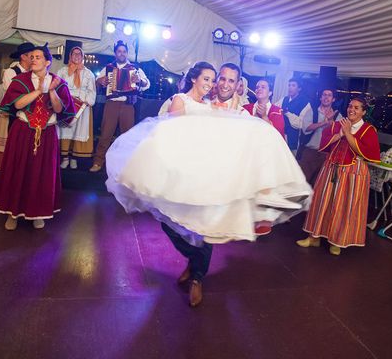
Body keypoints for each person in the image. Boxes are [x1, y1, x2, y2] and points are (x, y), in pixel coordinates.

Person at [106, 61, 312, 307]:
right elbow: (173, 136)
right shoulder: (195, 103)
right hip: (184, 173)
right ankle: (195, 263)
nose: (218, 84)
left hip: (216, 178)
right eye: (215, 79)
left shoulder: (234, 110)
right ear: (196, 79)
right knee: (170, 222)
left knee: (206, 227)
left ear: (237, 85)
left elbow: (253, 135)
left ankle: (197, 279)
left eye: (225, 80)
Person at [0, 44, 75, 230]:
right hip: (22, 131)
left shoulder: (58, 83)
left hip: (46, 134)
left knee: (42, 173)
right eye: (31, 57)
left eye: (38, 57)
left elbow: (60, 110)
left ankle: (38, 212)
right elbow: (17, 105)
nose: (33, 59)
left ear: (47, 62)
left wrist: (51, 91)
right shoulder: (21, 80)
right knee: (18, 170)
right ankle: (12, 213)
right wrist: (39, 90)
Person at [297, 96, 380, 255]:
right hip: (330, 168)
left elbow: (364, 152)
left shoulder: (368, 130)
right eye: (350, 106)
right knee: (322, 202)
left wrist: (348, 133)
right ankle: (314, 237)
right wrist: (341, 133)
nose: (352, 110)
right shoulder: (337, 125)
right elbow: (325, 143)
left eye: (356, 108)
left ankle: (337, 241)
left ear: (363, 112)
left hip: (352, 173)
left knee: (343, 207)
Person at [90, 41, 150, 172]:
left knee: (127, 136)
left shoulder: (135, 69)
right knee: (105, 134)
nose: (121, 53)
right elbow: (97, 82)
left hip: (128, 105)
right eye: (119, 51)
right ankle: (98, 162)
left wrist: (140, 80)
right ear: (115, 53)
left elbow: (147, 84)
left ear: (127, 53)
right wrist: (101, 81)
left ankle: (126, 164)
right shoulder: (108, 68)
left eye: (124, 51)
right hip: (111, 104)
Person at [0, 42, 35, 170]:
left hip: (30, 114)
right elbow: (11, 92)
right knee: (13, 143)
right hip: (14, 114)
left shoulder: (35, 73)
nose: (33, 59)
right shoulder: (11, 72)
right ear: (23, 56)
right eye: (31, 56)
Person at [57, 46, 96, 169]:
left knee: (78, 132)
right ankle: (65, 158)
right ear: (70, 56)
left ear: (82, 56)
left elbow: (92, 91)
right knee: (66, 131)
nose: (77, 56)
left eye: (79, 54)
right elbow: (58, 88)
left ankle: (74, 157)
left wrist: (85, 100)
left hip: (82, 107)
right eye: (74, 54)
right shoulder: (62, 71)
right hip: (67, 106)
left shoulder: (88, 73)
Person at [298, 89, 342, 184]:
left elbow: (340, 134)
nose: (326, 97)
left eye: (329, 95)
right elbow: (306, 128)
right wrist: (324, 122)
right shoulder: (312, 111)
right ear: (320, 97)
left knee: (317, 184)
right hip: (310, 152)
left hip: (326, 155)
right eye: (324, 95)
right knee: (302, 183)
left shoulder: (337, 116)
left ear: (333, 99)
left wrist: (332, 124)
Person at [280, 77, 311, 155]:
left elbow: (301, 124)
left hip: (293, 139)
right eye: (289, 85)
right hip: (280, 136)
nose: (290, 88)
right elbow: (275, 109)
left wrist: (288, 113)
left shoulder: (305, 103)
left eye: (293, 85)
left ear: (299, 88)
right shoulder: (284, 99)